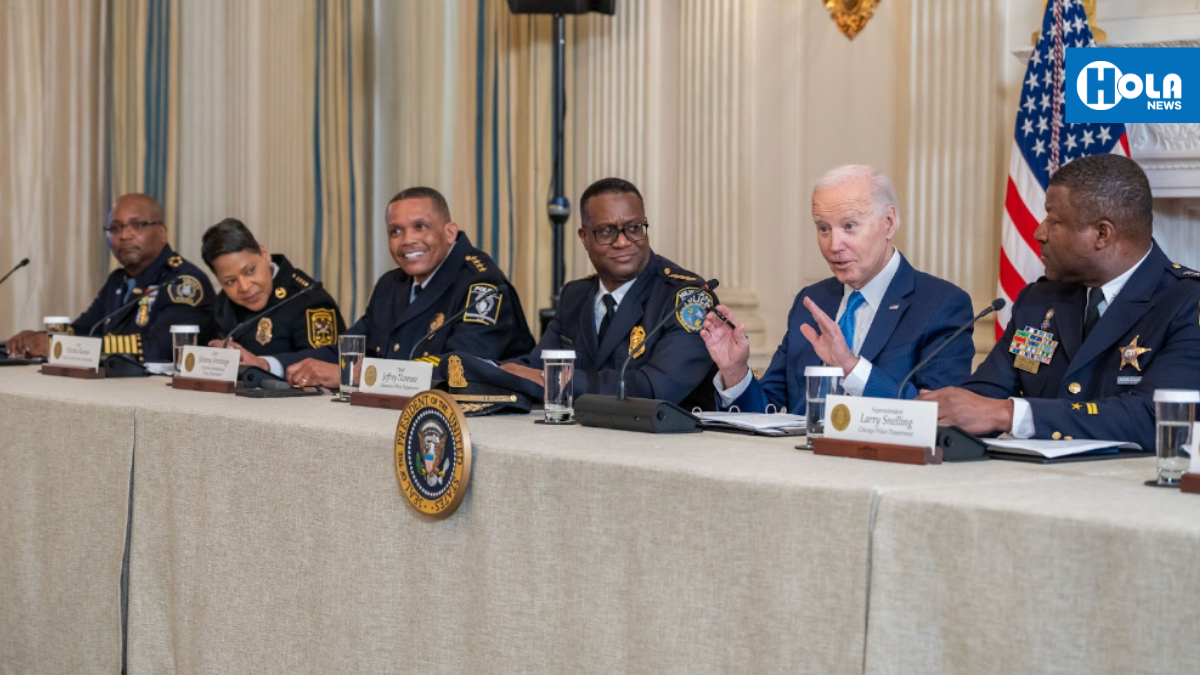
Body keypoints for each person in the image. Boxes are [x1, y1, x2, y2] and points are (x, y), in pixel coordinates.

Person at [921, 154, 1200, 451]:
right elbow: (984, 395)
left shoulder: (1186, 303)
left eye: (1054, 221)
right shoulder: (1040, 300)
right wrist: (942, 411)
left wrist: (1009, 414)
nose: (1038, 232)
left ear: (1102, 234)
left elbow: (1156, 418)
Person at [700, 165, 975, 413]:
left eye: (849, 226)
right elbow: (767, 409)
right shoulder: (812, 301)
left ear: (888, 223)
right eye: (823, 228)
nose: (834, 245)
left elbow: (940, 414)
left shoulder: (941, 304)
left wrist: (851, 369)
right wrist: (735, 372)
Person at [478, 177, 717, 408]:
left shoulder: (686, 298)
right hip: (583, 441)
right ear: (584, 238)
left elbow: (654, 389)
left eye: (633, 228)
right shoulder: (575, 295)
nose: (623, 242)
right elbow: (535, 364)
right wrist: (488, 370)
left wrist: (550, 380)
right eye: (606, 232)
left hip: (666, 444)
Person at [284, 186, 535, 388]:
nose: (407, 240)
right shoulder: (390, 284)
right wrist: (267, 364)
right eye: (395, 231)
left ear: (450, 232)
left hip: (479, 424)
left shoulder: (482, 285)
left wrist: (355, 375)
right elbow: (347, 349)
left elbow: (461, 368)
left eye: (420, 227)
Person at [6, 193, 215, 362]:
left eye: (138, 225)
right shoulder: (118, 280)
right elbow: (84, 329)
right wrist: (39, 338)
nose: (124, 235)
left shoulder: (183, 282)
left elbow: (159, 349)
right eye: (115, 228)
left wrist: (62, 346)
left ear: (162, 232)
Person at [200, 218, 346, 376]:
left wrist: (261, 363)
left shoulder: (308, 301)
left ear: (264, 253)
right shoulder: (223, 302)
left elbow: (324, 368)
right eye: (230, 281)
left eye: (250, 271)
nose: (244, 287)